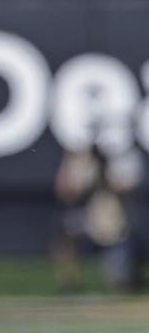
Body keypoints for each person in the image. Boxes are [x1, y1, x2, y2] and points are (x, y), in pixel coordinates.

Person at [51, 122, 145, 294]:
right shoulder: (81, 159)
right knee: (65, 231)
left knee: (121, 285)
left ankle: (131, 276)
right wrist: (76, 163)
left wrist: (106, 168)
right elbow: (65, 192)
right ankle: (69, 282)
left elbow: (128, 187)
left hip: (118, 224)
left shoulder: (126, 157)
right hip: (89, 220)